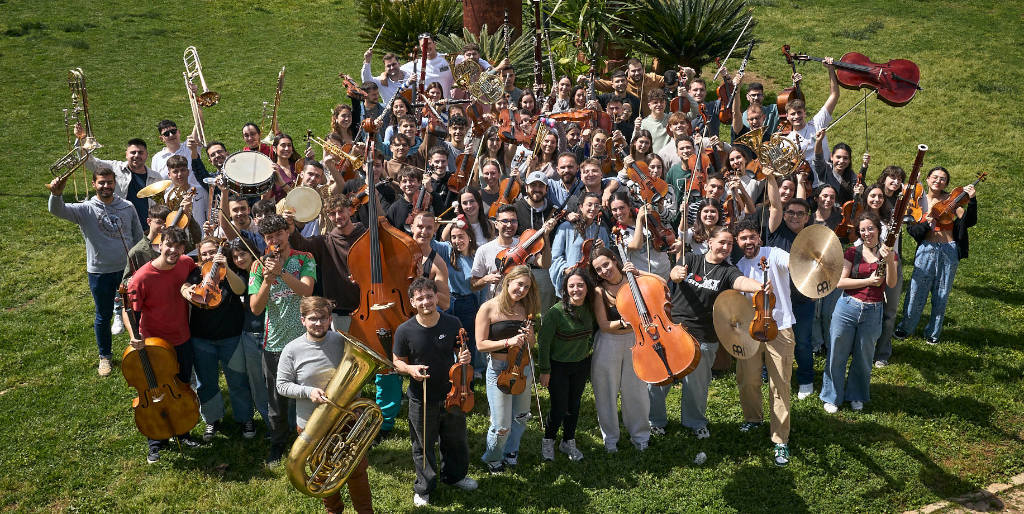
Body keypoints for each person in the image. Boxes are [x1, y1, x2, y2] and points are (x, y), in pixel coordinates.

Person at [654, 227, 764, 439]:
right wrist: (676, 274)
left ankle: (695, 422)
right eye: (722, 242)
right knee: (660, 378)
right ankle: (655, 420)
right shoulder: (691, 259)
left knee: (697, 384)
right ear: (710, 242)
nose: (726, 247)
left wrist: (758, 286)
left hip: (704, 336)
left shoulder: (727, 271)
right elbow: (674, 275)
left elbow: (739, 282)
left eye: (730, 244)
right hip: (674, 331)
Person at [276, 296, 375, 513]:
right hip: (311, 424)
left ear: (330, 318)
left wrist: (356, 402)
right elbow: (282, 386)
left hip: (345, 421)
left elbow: (356, 376)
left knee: (357, 471)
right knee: (324, 475)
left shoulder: (342, 342)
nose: (318, 323)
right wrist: (308, 392)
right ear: (302, 320)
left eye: (322, 318)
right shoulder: (292, 350)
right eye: (312, 319)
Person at [48, 168, 144, 377]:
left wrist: (140, 266)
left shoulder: (127, 207)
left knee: (136, 312)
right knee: (103, 315)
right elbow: (58, 210)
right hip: (100, 272)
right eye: (101, 182)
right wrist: (56, 194)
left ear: (114, 183)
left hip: (128, 271)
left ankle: (141, 351)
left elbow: (138, 237)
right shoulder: (86, 209)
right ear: (94, 184)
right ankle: (105, 357)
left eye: (109, 182)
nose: (106, 186)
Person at [392, 278, 477, 506]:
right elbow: (397, 361)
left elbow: (461, 350)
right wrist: (410, 369)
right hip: (421, 397)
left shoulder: (452, 322)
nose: (426, 302)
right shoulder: (404, 330)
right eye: (420, 298)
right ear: (412, 302)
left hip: (453, 392)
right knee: (423, 444)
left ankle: (455, 476)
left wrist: (465, 356)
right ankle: (424, 487)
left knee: (456, 440)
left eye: (429, 296)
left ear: (436, 297)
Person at [124, 227, 202, 463]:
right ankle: (156, 441)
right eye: (169, 245)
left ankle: (183, 431)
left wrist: (190, 283)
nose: (174, 251)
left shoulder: (186, 263)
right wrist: (133, 336)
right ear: (159, 244)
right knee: (155, 392)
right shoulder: (141, 278)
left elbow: (196, 271)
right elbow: (128, 311)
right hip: (154, 346)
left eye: (179, 247)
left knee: (182, 388)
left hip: (182, 338)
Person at [249, 214, 317, 464]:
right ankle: (277, 444)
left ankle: (308, 443)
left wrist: (283, 274)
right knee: (276, 401)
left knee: (306, 397)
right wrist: (268, 280)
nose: (275, 240)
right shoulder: (258, 266)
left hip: (304, 342)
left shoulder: (304, 259)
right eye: (269, 237)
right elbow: (255, 308)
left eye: (279, 234)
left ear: (287, 233)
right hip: (274, 343)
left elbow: (307, 290)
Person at [734, 220, 797, 466]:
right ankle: (753, 418)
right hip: (751, 330)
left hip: (779, 328)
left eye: (751, 237)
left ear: (758, 238)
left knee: (779, 384)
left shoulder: (773, 254)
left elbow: (792, 263)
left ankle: (780, 439)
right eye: (743, 239)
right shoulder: (738, 266)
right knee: (747, 380)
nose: (748, 242)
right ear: (738, 242)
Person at [821, 212, 898, 413]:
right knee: (837, 353)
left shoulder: (889, 254)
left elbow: (891, 283)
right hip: (848, 307)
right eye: (862, 230)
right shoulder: (851, 253)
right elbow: (840, 282)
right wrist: (867, 281)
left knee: (864, 356)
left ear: (878, 230)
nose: (866, 233)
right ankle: (831, 396)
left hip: (873, 310)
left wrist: (889, 259)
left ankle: (856, 395)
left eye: (870, 228)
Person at [896, 166, 978, 345]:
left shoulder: (952, 200)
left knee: (941, 293)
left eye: (942, 179)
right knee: (916, 291)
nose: (938, 181)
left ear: (947, 183)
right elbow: (913, 230)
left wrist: (972, 200)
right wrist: (927, 221)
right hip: (926, 248)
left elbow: (968, 221)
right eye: (935, 177)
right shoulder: (919, 200)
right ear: (927, 179)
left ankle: (933, 333)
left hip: (948, 249)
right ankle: (905, 328)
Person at [183, 237, 254, 441]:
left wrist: (225, 267)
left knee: (238, 380)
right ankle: (212, 419)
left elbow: (241, 289)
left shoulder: (231, 271)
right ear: (199, 256)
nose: (208, 256)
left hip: (231, 336)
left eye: (212, 252)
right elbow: (185, 286)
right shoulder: (196, 274)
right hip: (201, 338)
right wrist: (187, 290)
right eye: (204, 253)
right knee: (206, 383)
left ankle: (245, 417)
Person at [475, 265, 540, 473]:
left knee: (521, 415)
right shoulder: (488, 308)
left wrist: (529, 336)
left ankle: (511, 451)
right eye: (519, 284)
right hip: (499, 369)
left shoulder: (524, 309)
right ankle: (493, 457)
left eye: (527, 287)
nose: (522, 290)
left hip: (523, 368)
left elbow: (531, 344)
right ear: (508, 281)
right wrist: (508, 342)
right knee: (501, 424)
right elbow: (480, 344)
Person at [589, 247, 653, 452]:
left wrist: (638, 272)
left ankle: (640, 435)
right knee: (605, 391)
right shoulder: (599, 291)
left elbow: (661, 283)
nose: (604, 271)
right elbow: (604, 325)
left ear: (615, 260)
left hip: (636, 341)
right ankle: (610, 439)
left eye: (605, 264)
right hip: (609, 342)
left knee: (637, 390)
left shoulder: (634, 281)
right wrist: (629, 321)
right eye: (598, 269)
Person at [537, 270, 595, 461]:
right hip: (558, 367)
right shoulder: (556, 312)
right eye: (571, 286)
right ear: (565, 289)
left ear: (587, 288)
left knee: (574, 405)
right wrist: (545, 370)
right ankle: (548, 440)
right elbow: (543, 342)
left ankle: (568, 441)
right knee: (559, 407)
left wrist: (587, 349)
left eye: (580, 285)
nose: (576, 289)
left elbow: (593, 332)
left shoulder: (591, 308)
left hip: (580, 366)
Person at [286, 195, 366, 332]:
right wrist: (291, 227)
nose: (338, 216)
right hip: (341, 311)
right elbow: (302, 245)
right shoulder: (325, 242)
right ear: (328, 217)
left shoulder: (367, 235)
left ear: (349, 211)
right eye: (332, 213)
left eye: (341, 211)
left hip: (370, 304)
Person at [471, 205, 556, 301]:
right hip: (496, 303)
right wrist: (485, 279)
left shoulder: (523, 244)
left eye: (513, 221)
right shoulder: (484, 250)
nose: (509, 225)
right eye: (504, 221)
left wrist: (546, 237)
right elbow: (473, 285)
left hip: (520, 304)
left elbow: (545, 264)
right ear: (496, 224)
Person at [226, 239, 269, 425]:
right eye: (235, 257)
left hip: (270, 333)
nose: (239, 259)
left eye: (243, 254)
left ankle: (289, 423)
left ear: (252, 252)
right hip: (250, 334)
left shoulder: (266, 270)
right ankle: (269, 423)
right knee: (257, 382)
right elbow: (240, 289)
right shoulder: (239, 275)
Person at [84, 138, 162, 224]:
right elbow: (90, 162)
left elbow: (160, 205)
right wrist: (82, 140)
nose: (136, 155)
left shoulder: (156, 177)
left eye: (140, 152)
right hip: (120, 226)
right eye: (133, 152)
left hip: (147, 227)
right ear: (126, 155)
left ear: (146, 155)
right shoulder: (114, 168)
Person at [783, 57, 840, 163]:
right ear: (787, 116)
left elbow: (834, 95)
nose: (796, 116)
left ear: (804, 113)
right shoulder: (787, 142)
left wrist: (831, 70)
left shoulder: (816, 123)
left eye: (799, 112)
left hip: (827, 176)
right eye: (792, 114)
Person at [550, 193, 610, 289]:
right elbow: (555, 256)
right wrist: (565, 269)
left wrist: (603, 249)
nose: (593, 208)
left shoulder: (601, 230)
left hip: (593, 282)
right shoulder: (566, 227)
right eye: (589, 205)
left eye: (597, 205)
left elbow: (608, 257)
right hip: (572, 281)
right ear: (581, 207)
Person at [401, 33, 454, 97]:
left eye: (428, 43)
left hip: (446, 105)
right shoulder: (415, 64)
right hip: (425, 105)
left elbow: (467, 58)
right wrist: (385, 75)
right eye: (423, 45)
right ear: (420, 48)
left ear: (435, 44)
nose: (426, 47)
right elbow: (394, 70)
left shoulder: (448, 59)